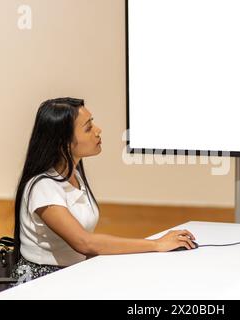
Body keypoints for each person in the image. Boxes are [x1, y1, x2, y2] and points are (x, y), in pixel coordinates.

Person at [11, 97, 196, 285]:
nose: (98, 130)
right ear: (64, 142)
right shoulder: (44, 186)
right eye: (88, 128)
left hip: (71, 273)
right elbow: (84, 243)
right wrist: (156, 244)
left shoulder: (74, 176)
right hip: (42, 283)